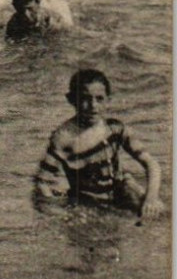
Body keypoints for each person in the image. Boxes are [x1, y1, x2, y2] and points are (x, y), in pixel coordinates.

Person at [34, 69, 162, 218]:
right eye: (85, 99)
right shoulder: (64, 138)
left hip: (121, 190)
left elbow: (152, 164)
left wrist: (151, 198)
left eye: (99, 98)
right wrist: (60, 214)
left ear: (109, 99)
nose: (93, 105)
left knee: (157, 214)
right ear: (71, 99)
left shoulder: (114, 128)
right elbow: (42, 183)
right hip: (88, 200)